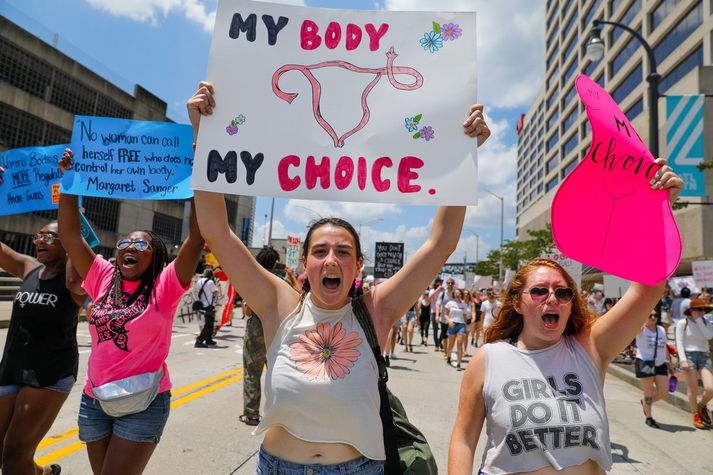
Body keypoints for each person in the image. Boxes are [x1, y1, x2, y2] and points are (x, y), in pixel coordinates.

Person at [188, 80, 490, 473]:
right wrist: (204, 136)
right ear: (304, 265)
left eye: (343, 252)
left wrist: (464, 154)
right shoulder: (277, 304)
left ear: (358, 266)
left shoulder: (378, 310)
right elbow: (217, 232)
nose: (331, 259)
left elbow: (440, 243)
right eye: (320, 251)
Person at [448, 159, 683, 474]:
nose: (552, 299)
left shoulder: (589, 348)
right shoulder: (488, 358)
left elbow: (648, 291)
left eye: (562, 293)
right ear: (517, 303)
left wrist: (659, 210)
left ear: (571, 304)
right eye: (539, 291)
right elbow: (463, 439)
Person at [57, 149, 205, 475]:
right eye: (125, 242)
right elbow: (69, 236)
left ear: (155, 259)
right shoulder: (103, 276)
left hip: (145, 402)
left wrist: (199, 180)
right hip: (95, 400)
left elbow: (196, 237)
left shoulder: (164, 287)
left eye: (141, 246)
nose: (129, 247)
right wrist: (68, 180)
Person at [0, 220, 85, 475]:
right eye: (38, 236)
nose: (39, 241)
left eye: (49, 238)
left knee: (14, 458)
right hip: (12, 368)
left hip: (48, 373)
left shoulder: (74, 279)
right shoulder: (29, 268)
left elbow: (78, 277)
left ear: (67, 243)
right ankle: (43, 473)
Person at [240, 246, 279, 427]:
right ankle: (276, 413)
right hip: (276, 328)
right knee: (276, 372)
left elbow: (248, 310)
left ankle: (251, 414)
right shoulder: (279, 281)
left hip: (256, 327)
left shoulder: (253, 281)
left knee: (252, 372)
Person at [675, 298, 713, 429]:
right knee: (693, 388)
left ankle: (702, 405)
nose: (702, 312)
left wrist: (699, 320)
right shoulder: (683, 323)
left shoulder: (706, 322)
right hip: (689, 355)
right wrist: (683, 359)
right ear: (691, 310)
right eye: (699, 309)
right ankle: (695, 413)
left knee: (710, 388)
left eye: (703, 309)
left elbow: (709, 336)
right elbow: (679, 341)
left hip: (704, 355)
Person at [634, 311, 671, 428]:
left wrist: (669, 362)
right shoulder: (641, 329)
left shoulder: (661, 329)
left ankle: (645, 403)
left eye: (655, 315)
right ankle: (649, 417)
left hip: (660, 363)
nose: (653, 317)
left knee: (664, 392)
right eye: (650, 315)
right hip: (645, 362)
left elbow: (664, 346)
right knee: (648, 391)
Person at [194, 268, 219, 348]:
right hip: (208, 305)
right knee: (209, 325)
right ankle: (199, 340)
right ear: (211, 275)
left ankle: (209, 339)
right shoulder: (210, 282)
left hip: (201, 304)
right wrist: (217, 284)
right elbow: (216, 293)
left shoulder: (199, 281)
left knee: (209, 324)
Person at [444, 289, 468, 370]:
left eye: (459, 293)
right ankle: (448, 357)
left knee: (459, 343)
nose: (457, 294)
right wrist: (449, 322)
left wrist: (466, 325)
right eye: (456, 293)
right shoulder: (450, 303)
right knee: (451, 344)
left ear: (461, 294)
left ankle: (459, 363)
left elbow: (465, 316)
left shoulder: (464, 304)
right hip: (452, 324)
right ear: (454, 294)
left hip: (461, 325)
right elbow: (445, 315)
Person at [428, 279, 444, 350]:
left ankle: (440, 341)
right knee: (435, 330)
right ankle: (436, 345)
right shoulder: (432, 290)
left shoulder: (443, 291)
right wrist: (437, 289)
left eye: (441, 282)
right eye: (439, 282)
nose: (440, 283)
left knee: (444, 329)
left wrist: (443, 290)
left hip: (442, 312)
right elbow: (430, 296)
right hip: (434, 312)